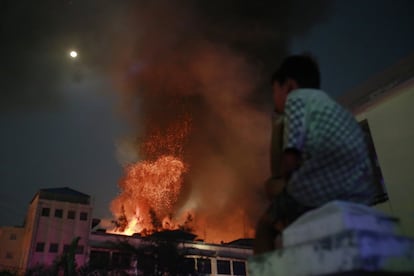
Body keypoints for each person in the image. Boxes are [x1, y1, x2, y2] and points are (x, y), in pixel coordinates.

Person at [253, 54, 376, 254]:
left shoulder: (296, 100)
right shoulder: (336, 109)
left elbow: (290, 158)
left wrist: (277, 125)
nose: (274, 100)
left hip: (328, 191)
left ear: (290, 86)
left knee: (266, 221)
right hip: (361, 195)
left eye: (275, 92)